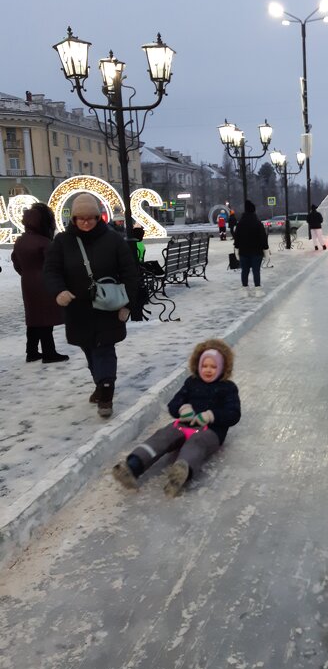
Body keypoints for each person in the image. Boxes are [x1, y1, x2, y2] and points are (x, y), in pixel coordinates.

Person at [43, 193, 138, 417]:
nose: (86, 222)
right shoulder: (63, 242)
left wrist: (128, 305)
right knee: (89, 348)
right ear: (73, 219)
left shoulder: (113, 239)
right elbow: (51, 270)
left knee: (104, 348)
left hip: (109, 306)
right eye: (80, 218)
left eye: (90, 218)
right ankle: (100, 382)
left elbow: (130, 273)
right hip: (78, 309)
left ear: (98, 217)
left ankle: (106, 391)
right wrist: (59, 291)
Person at [112, 339, 241, 497]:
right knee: (163, 436)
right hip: (184, 424)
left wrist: (210, 415)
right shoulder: (191, 382)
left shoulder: (228, 388)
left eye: (213, 367)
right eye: (204, 366)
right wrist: (182, 408)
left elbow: (233, 414)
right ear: (198, 365)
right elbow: (174, 403)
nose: (208, 370)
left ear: (222, 368)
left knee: (196, 444)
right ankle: (133, 465)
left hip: (211, 431)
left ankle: (181, 473)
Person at [11, 202, 69, 364]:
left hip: (27, 282)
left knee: (33, 317)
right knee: (45, 318)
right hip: (44, 283)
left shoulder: (21, 241)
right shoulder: (44, 242)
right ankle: (49, 352)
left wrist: (27, 274)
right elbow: (54, 265)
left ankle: (32, 351)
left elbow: (16, 263)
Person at [233, 199, 269, 297]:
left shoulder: (240, 224)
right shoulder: (258, 223)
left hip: (243, 251)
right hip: (256, 252)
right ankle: (258, 290)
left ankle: (245, 289)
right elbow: (263, 238)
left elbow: (237, 237)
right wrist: (266, 251)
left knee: (244, 270)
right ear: (254, 211)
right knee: (256, 271)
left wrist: (236, 249)